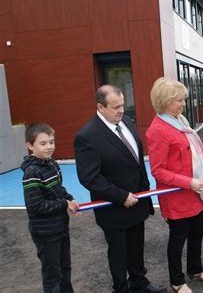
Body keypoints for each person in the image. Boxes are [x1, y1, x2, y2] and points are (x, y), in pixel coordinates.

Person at [74, 85, 165, 293]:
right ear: (100, 107)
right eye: (115, 107)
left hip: (137, 202)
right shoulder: (87, 136)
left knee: (136, 249)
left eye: (122, 105)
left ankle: (139, 283)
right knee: (118, 254)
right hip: (114, 208)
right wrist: (121, 196)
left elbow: (136, 160)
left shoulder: (126, 122)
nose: (121, 110)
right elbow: (89, 178)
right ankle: (121, 287)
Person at [146, 78, 203, 293]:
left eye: (183, 99)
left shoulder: (181, 122)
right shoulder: (158, 130)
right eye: (178, 100)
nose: (183, 104)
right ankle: (177, 281)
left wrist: (194, 183)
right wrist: (188, 182)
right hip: (178, 194)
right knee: (178, 238)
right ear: (164, 101)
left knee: (196, 231)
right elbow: (157, 170)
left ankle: (196, 270)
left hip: (194, 192)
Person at [21, 123, 80, 293]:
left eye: (51, 142)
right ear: (30, 145)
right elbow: (36, 205)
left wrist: (69, 198)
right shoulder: (32, 172)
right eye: (43, 143)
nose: (49, 147)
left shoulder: (52, 164)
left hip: (60, 227)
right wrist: (64, 204)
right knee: (52, 275)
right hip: (46, 233)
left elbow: (58, 189)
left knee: (65, 269)